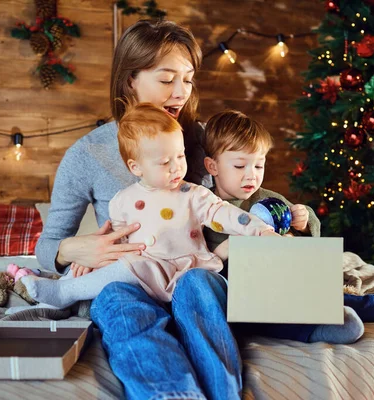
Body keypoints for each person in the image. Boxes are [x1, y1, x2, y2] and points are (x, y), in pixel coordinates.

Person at [34, 20, 242, 400]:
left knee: (198, 287)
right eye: (167, 79)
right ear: (131, 80)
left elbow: (255, 199)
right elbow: (47, 246)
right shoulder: (88, 153)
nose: (181, 92)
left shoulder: (201, 139)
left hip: (195, 273)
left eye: (189, 79)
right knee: (116, 301)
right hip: (130, 279)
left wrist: (295, 217)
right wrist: (70, 250)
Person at [201, 110, 374, 343]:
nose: (251, 175)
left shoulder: (267, 199)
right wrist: (228, 249)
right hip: (247, 295)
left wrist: (303, 219)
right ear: (212, 166)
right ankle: (320, 330)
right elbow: (195, 264)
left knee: (329, 296)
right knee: (257, 321)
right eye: (239, 166)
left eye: (259, 165)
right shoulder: (202, 206)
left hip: (287, 278)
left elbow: (312, 229)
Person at [23, 103, 280, 308]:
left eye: (180, 156)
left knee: (146, 270)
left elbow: (226, 214)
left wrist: (260, 230)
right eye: (164, 162)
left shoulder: (193, 194)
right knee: (118, 268)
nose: (177, 167)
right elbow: (118, 244)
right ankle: (60, 293)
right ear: (136, 167)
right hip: (144, 272)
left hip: (187, 270)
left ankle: (64, 292)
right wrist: (90, 260)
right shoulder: (121, 201)